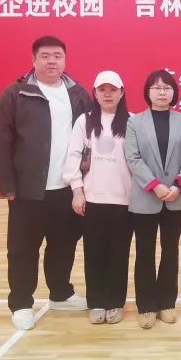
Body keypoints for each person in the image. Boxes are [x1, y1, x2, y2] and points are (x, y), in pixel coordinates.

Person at [0, 35, 90, 331]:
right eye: (45, 56)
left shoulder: (78, 94)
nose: (51, 61)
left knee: (64, 245)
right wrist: (7, 185)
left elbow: (91, 139)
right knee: (23, 249)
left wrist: (85, 184)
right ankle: (21, 303)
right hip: (28, 190)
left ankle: (60, 293)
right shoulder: (16, 94)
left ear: (65, 60)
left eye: (57, 56)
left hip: (67, 189)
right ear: (33, 60)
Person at [124, 70, 181, 329]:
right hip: (146, 196)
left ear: (174, 92)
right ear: (148, 92)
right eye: (156, 88)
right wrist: (155, 186)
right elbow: (133, 158)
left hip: (176, 196)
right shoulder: (135, 122)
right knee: (144, 251)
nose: (162, 92)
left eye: (166, 87)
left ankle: (167, 303)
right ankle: (146, 306)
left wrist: (178, 184)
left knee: (170, 250)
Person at [62, 70, 132, 325]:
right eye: (102, 90)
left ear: (122, 92)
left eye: (113, 89)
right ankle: (97, 302)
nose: (108, 94)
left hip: (124, 200)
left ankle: (115, 302)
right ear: (95, 93)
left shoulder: (132, 122)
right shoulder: (85, 121)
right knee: (94, 253)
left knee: (119, 254)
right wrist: (77, 191)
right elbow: (73, 156)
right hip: (92, 199)